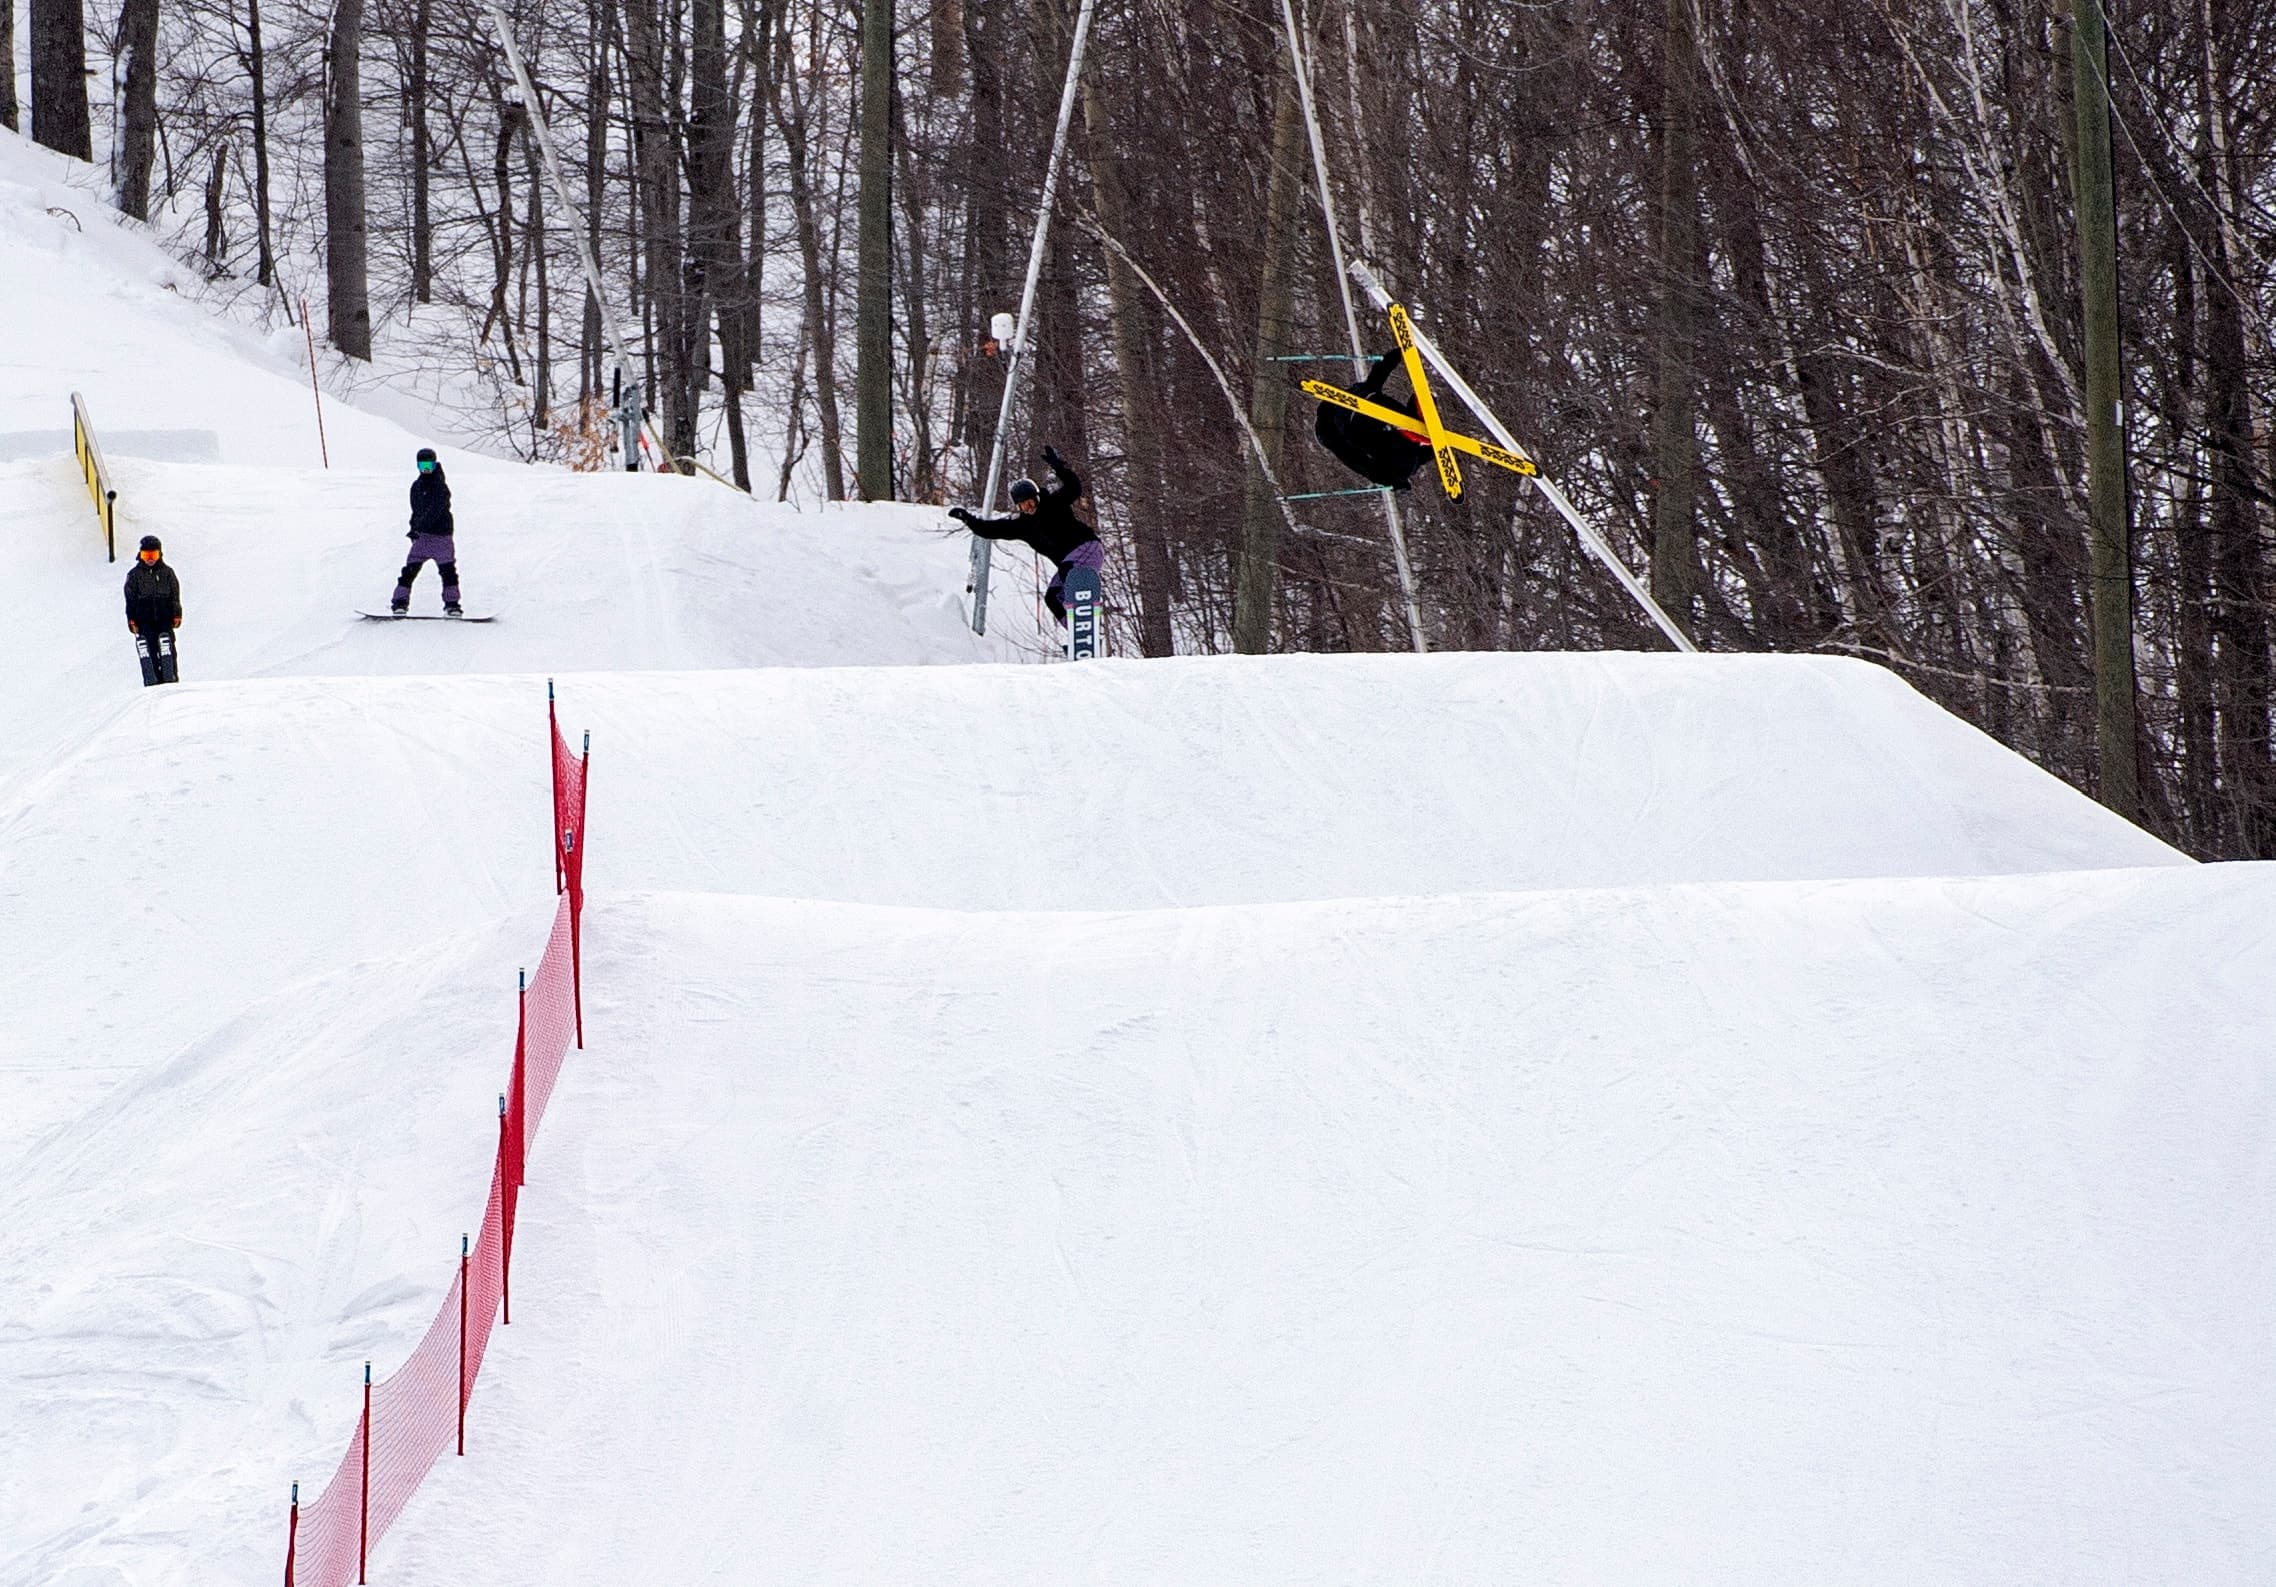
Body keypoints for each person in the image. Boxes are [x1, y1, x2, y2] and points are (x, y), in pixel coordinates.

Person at [950, 445, 1103, 626]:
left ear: (1037, 498)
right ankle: (1076, 632)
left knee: (1068, 571)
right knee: (1053, 597)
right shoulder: (1023, 527)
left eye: (1030, 503)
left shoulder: (1054, 503)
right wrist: (967, 519)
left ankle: (1084, 610)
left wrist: (1059, 466)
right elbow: (991, 529)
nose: (1029, 509)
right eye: (1023, 506)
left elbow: (1074, 488)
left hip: (1088, 548)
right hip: (1069, 565)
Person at [1315, 349, 1433, 490]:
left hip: (1373, 435)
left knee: (1402, 448)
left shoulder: (1336, 426)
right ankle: (1422, 422)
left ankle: (1422, 424)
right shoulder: (1335, 425)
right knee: (1401, 446)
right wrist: (1395, 355)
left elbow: (1352, 458)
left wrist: (1396, 355)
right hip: (1364, 428)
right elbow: (1379, 372)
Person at [390, 447, 463, 616]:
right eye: (422, 464)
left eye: (428, 464)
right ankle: (400, 603)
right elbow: (415, 510)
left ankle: (452, 605)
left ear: (434, 463)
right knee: (409, 571)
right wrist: (413, 529)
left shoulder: (440, 486)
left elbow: (438, 509)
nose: (426, 468)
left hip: (441, 536)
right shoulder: (416, 486)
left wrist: (420, 526)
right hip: (423, 537)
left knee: (448, 571)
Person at [123, 533, 182, 686]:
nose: (150, 558)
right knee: (149, 650)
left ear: (159, 554)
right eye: (146, 554)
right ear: (140, 555)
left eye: (153, 554)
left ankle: (170, 677)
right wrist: (131, 620)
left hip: (164, 619)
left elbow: (175, 595)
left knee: (167, 647)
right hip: (144, 621)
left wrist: (177, 615)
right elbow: (130, 600)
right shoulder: (135, 575)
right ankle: (153, 680)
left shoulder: (167, 573)